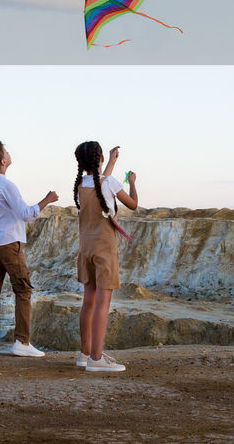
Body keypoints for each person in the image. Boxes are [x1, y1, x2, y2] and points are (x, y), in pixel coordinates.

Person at [0, 139, 58, 357]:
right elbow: (26, 214)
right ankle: (22, 343)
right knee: (23, 290)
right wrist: (47, 200)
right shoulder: (7, 185)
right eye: (6, 151)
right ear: (3, 160)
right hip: (8, 244)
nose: (9, 152)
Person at [73, 141, 138, 372]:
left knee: (88, 300)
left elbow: (102, 187)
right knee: (103, 302)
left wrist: (111, 160)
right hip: (104, 249)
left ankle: (85, 354)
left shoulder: (81, 185)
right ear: (98, 159)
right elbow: (133, 205)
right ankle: (97, 359)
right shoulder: (109, 183)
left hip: (86, 248)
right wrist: (131, 183)